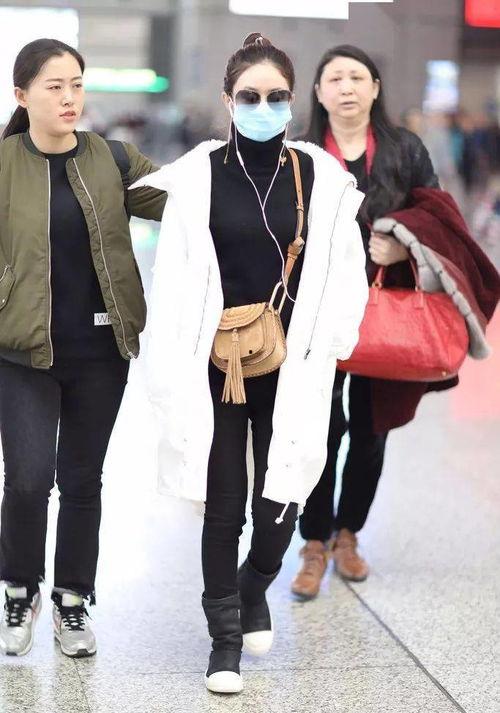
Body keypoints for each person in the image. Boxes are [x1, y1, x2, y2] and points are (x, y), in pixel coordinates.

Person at [132, 34, 368, 694]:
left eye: (275, 96)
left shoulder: (319, 177)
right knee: (224, 506)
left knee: (280, 501)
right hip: (216, 365)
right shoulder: (199, 176)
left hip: (293, 365)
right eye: (249, 97)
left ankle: (255, 583)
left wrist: (337, 341)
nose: (263, 107)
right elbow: (174, 277)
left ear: (293, 101)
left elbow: (346, 269)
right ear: (227, 100)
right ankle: (225, 639)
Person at [0, 38, 166, 658]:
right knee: (27, 480)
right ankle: (20, 588)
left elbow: (185, 202)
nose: (69, 97)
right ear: (22, 96)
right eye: (54, 86)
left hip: (101, 349)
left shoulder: (112, 159)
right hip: (21, 352)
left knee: (81, 479)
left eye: (76, 84)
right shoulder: (3, 163)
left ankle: (73, 598)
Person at [291, 45, 441, 599]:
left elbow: (437, 216)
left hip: (385, 311)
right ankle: (313, 540)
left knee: (370, 429)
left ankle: (348, 533)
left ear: (376, 87)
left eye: (358, 77)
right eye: (335, 78)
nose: (347, 87)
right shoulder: (299, 152)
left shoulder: (405, 149)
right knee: (319, 428)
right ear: (319, 92)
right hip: (316, 312)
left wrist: (403, 246)